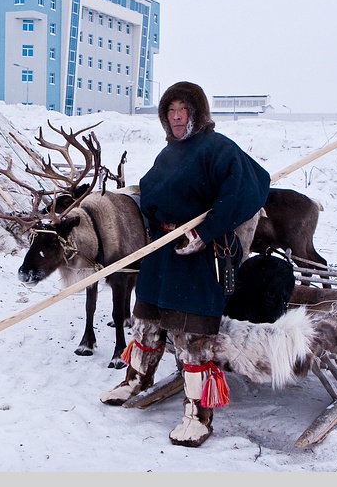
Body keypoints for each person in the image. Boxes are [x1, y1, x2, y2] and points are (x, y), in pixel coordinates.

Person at [100, 81, 270, 447]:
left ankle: (198, 414)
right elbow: (153, 190)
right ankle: (136, 379)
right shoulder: (169, 153)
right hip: (162, 251)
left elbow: (251, 185)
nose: (176, 117)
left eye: (183, 110)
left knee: (190, 335)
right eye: (170, 111)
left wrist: (205, 232)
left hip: (198, 256)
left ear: (197, 113)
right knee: (146, 319)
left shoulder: (217, 148)